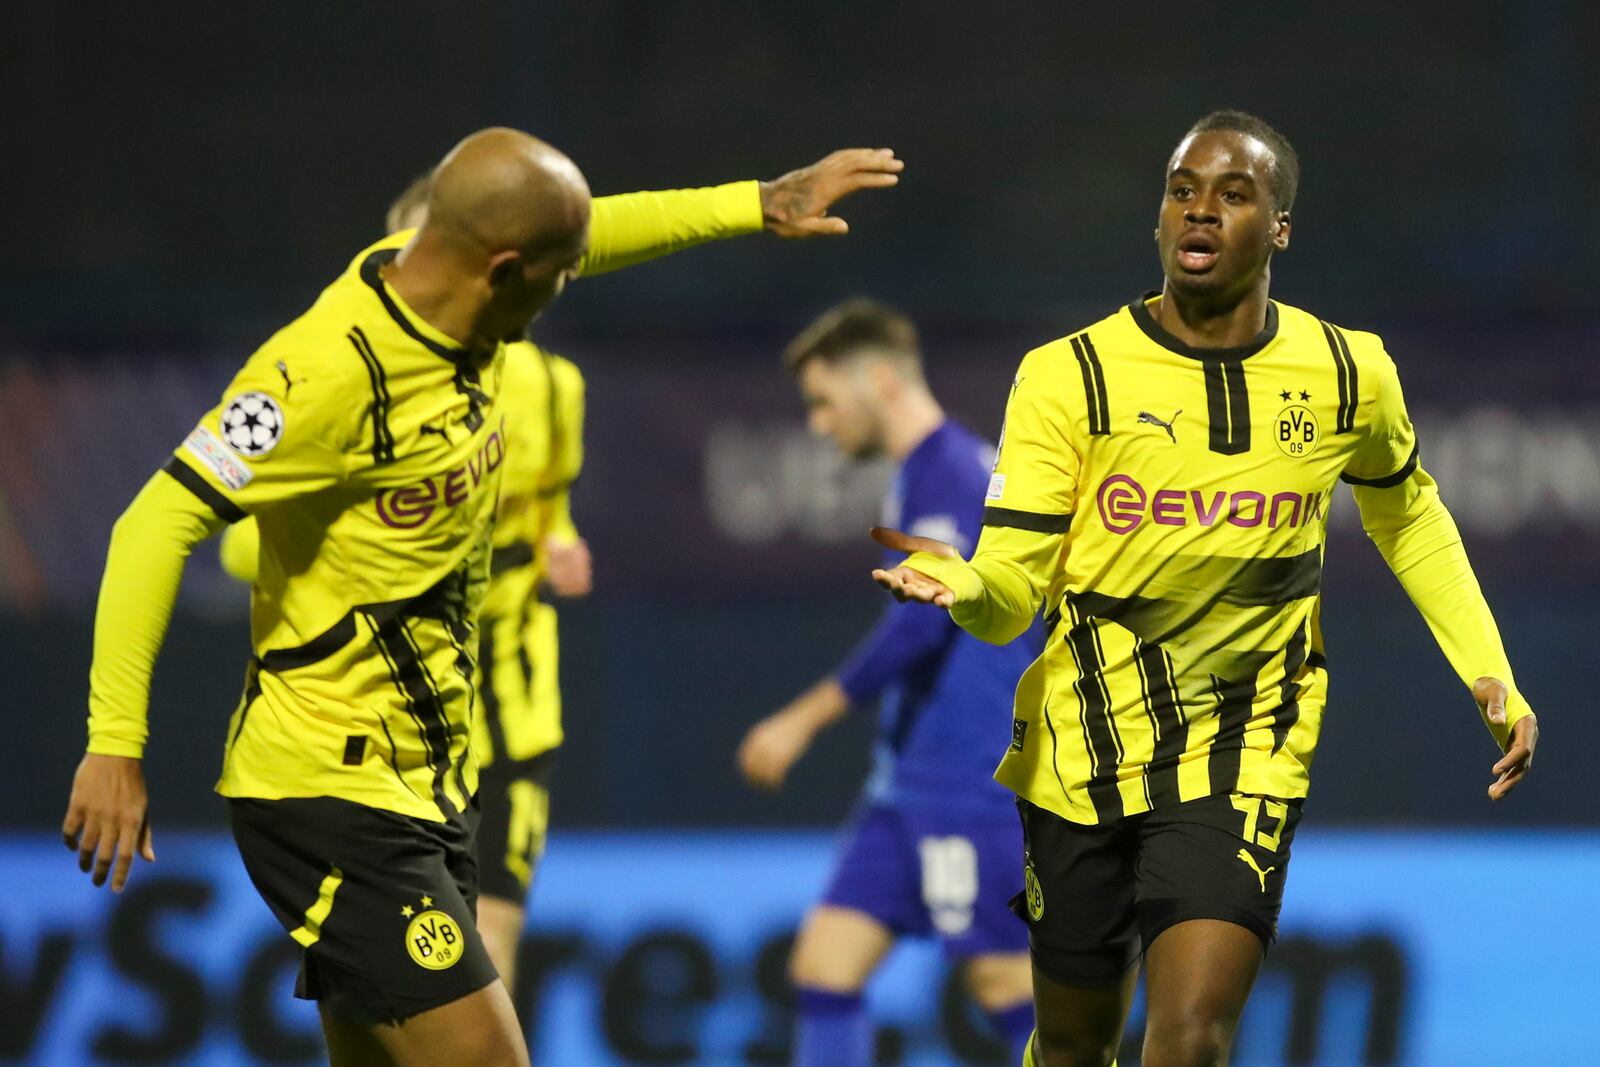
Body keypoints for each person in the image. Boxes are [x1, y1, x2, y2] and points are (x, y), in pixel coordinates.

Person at [63, 127, 902, 1067]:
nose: (565, 290)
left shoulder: (452, 286)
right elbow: (152, 523)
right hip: (328, 787)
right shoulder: (326, 377)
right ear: (504, 269)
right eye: (556, 275)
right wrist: (113, 743)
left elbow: (596, 232)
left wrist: (757, 201)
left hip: (430, 781)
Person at [871, 110, 1539, 1067]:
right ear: (1158, 218)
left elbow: (1408, 513)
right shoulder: (1071, 376)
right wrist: (964, 587)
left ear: (1279, 228)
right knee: (1069, 1047)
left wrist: (1490, 670)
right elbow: (1012, 591)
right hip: (1081, 747)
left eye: (1234, 194)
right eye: (1183, 189)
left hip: (1247, 744)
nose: (1201, 210)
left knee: (1189, 1037)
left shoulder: (1351, 372)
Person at [218, 173, 594, 997]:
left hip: (512, 708)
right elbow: (234, 543)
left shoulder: (554, 387)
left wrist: (558, 540)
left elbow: (550, 505)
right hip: (390, 736)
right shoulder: (347, 392)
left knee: (488, 940)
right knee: (416, 972)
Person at [737, 300, 1042, 1066]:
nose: (817, 422)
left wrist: (802, 718)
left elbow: (925, 621)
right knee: (824, 966)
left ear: (878, 378)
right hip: (908, 783)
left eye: (822, 399)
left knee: (1012, 989)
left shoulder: (953, 472)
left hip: (969, 781)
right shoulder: (925, 477)